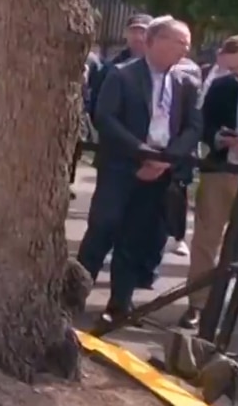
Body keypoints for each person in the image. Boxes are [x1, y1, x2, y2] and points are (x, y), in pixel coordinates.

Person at [78, 16, 201, 322]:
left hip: (161, 171)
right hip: (122, 167)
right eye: (179, 42)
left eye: (187, 44)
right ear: (154, 41)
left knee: (135, 236)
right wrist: (142, 152)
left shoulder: (186, 83)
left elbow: (193, 127)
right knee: (102, 229)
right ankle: (73, 294)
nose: (185, 49)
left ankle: (120, 302)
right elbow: (105, 119)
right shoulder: (122, 76)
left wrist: (165, 159)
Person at [179, 35, 238, 329]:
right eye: (234, 68)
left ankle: (231, 315)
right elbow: (204, 126)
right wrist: (220, 138)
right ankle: (197, 305)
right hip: (220, 170)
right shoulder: (221, 86)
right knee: (206, 240)